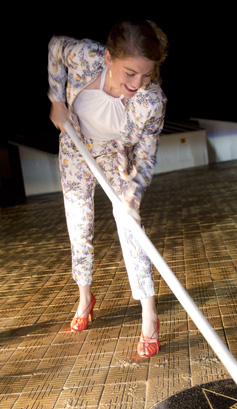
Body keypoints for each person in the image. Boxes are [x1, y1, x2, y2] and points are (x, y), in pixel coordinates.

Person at [48, 18, 168, 357]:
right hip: (76, 147)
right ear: (108, 59)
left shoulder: (151, 101)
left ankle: (149, 313)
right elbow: (55, 46)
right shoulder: (85, 56)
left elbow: (145, 156)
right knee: (79, 226)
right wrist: (57, 99)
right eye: (130, 73)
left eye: (147, 74)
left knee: (131, 229)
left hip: (117, 160)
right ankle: (85, 296)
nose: (138, 82)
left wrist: (133, 193)